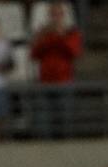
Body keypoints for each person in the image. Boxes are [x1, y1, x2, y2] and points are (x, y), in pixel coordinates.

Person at [29, 3, 81, 139]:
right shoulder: (43, 33)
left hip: (64, 80)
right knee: (44, 119)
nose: (56, 18)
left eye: (59, 14)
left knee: (65, 118)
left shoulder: (72, 32)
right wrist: (46, 37)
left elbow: (74, 52)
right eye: (53, 15)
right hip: (45, 81)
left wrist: (61, 37)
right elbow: (34, 54)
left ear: (64, 15)